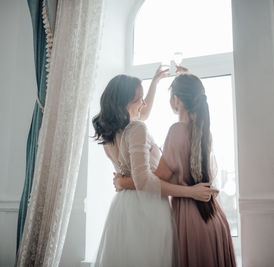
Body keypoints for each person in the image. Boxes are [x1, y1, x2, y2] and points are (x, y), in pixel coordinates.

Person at [91, 68, 213, 267]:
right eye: (139, 98)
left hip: (122, 207)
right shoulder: (137, 128)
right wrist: (190, 192)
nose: (144, 103)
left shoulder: (109, 133)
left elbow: (142, 113)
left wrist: (155, 82)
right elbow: (145, 182)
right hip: (146, 207)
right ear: (125, 103)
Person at [114, 73, 236, 267]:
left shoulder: (177, 130)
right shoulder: (205, 131)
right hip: (214, 217)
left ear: (176, 99)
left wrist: (123, 182)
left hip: (191, 219)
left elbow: (154, 179)